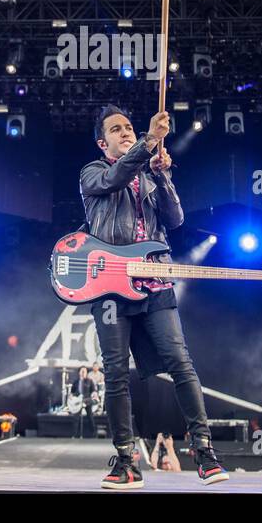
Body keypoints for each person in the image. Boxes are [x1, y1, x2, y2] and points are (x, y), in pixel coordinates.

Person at [81, 106, 227, 489]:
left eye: (129, 127)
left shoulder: (149, 174)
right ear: (103, 142)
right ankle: (127, 460)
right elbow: (115, 177)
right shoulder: (93, 172)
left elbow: (175, 219)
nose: (126, 132)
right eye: (117, 129)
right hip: (110, 287)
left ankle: (204, 451)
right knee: (115, 373)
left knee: (181, 362)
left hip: (155, 282)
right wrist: (147, 143)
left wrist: (162, 178)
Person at [72, 366, 97, 438]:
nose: (83, 373)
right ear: (79, 372)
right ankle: (75, 435)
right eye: (82, 371)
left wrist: (94, 393)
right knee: (76, 418)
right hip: (78, 402)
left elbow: (93, 390)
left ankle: (93, 435)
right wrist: (71, 395)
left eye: (84, 371)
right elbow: (72, 391)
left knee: (90, 417)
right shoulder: (76, 382)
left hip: (87, 401)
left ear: (86, 373)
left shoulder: (89, 381)